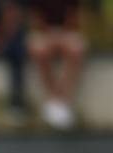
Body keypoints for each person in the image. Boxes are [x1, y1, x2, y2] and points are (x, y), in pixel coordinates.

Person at [27, 0, 83, 130]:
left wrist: (60, 35)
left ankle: (63, 98)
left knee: (77, 50)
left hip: (66, 32)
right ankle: (53, 97)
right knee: (39, 51)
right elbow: (36, 19)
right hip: (45, 32)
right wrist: (50, 35)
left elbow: (73, 18)